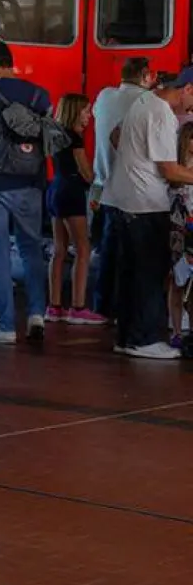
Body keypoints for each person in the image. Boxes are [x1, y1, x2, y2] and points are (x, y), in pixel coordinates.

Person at [101, 68, 193, 359]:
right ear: (188, 88)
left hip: (124, 199)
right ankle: (146, 340)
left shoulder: (143, 101)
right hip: (146, 204)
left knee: (130, 273)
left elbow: (115, 136)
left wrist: (134, 161)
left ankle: (127, 337)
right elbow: (169, 169)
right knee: (150, 274)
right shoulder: (162, 114)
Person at [0, 40, 52, 345]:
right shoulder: (39, 94)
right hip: (31, 182)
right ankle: (36, 315)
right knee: (32, 250)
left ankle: (5, 326)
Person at [91, 56, 155, 309]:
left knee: (105, 250)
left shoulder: (105, 96)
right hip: (132, 188)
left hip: (101, 184)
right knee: (132, 254)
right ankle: (126, 308)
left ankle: (102, 304)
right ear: (145, 75)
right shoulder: (147, 101)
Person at [45, 94, 105, 325]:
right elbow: (86, 173)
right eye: (86, 111)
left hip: (55, 189)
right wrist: (99, 181)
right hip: (71, 191)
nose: (89, 115)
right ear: (75, 112)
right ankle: (78, 307)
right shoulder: (75, 138)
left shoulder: (56, 134)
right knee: (83, 248)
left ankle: (54, 306)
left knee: (59, 249)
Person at [168, 123, 193, 346]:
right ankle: (176, 331)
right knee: (177, 282)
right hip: (178, 232)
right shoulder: (174, 169)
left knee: (191, 287)